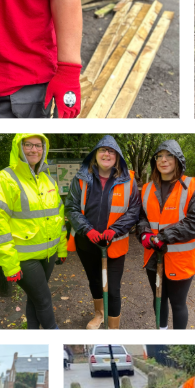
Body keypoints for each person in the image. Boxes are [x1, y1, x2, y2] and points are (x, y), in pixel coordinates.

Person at [0, 133, 67, 329]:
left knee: (35, 298)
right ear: (19, 147)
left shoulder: (48, 180)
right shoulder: (4, 180)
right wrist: (10, 265)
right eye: (28, 145)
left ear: (44, 149)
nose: (34, 150)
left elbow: (58, 216)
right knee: (44, 300)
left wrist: (61, 249)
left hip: (48, 254)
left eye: (38, 145)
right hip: (24, 257)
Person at [65, 136, 141, 329]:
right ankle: (99, 315)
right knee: (95, 282)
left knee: (113, 288)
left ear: (118, 157)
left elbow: (134, 210)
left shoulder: (129, 180)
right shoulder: (81, 178)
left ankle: (113, 328)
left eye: (111, 151)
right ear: (95, 155)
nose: (106, 154)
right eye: (102, 150)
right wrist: (87, 230)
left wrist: (114, 230)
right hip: (87, 243)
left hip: (114, 244)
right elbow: (72, 207)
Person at [137, 140, 195, 330]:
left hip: (180, 259)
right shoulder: (146, 189)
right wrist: (144, 234)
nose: (163, 160)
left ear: (178, 160)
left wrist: (164, 236)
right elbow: (141, 216)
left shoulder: (193, 187)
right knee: (158, 298)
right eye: (159, 156)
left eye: (169, 155)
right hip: (153, 255)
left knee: (178, 303)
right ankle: (162, 332)